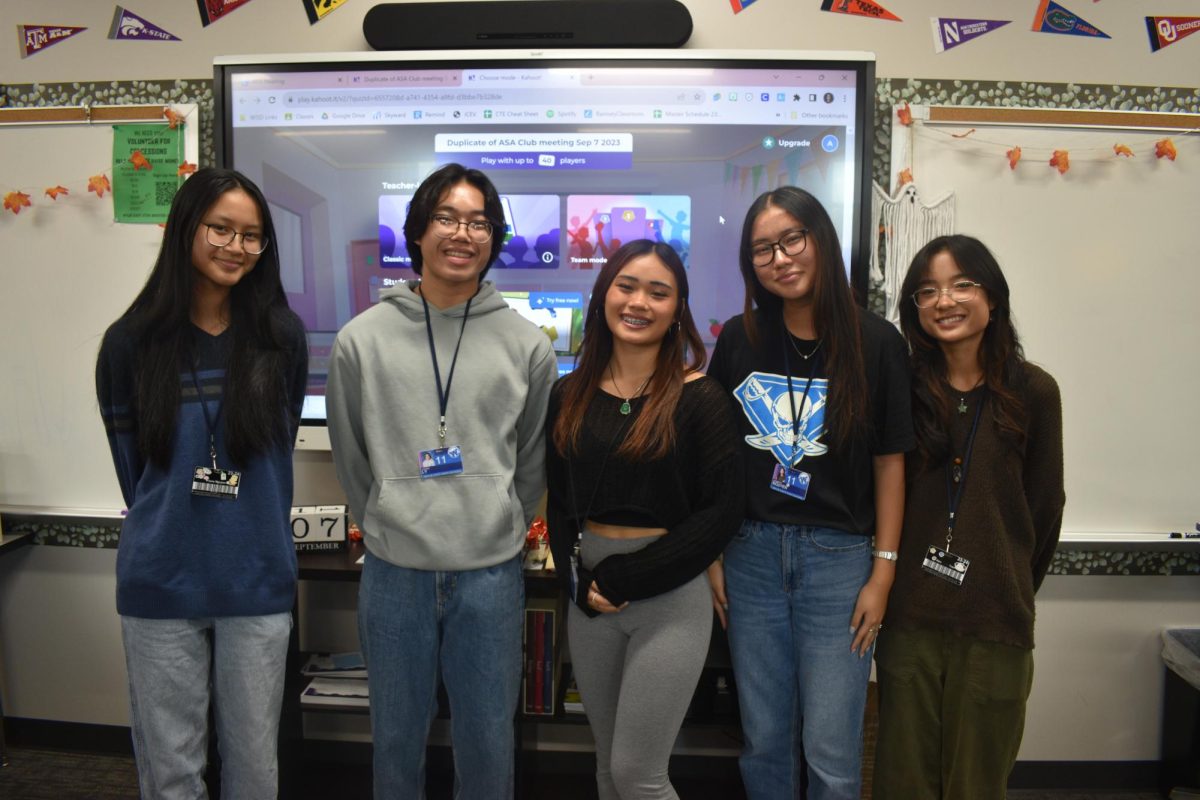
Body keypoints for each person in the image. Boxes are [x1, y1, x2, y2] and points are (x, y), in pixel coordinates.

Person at [326, 163, 556, 799]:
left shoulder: (527, 344)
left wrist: (498, 516)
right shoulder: (360, 340)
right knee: (395, 741)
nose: (463, 233)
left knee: (487, 742)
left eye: (479, 222)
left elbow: (531, 458)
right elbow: (352, 456)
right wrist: (386, 517)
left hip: (490, 573)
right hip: (394, 572)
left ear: (494, 237)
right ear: (418, 232)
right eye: (447, 218)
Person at [95, 167, 307, 799]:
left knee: (253, 769)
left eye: (252, 236)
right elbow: (135, 476)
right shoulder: (129, 344)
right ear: (186, 227)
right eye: (221, 229)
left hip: (257, 577)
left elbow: (279, 449)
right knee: (171, 772)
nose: (235, 247)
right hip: (162, 577)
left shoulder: (280, 339)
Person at [706, 186, 914, 800]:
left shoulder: (877, 343)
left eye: (792, 239)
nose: (780, 258)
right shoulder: (740, 340)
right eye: (762, 249)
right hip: (750, 556)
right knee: (764, 742)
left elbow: (890, 464)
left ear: (820, 239)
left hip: (839, 563)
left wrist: (883, 573)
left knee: (831, 751)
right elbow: (717, 459)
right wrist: (714, 553)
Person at [545, 239, 743, 800]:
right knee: (607, 769)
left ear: (677, 308)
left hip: (668, 598)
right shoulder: (569, 394)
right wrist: (576, 581)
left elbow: (722, 512)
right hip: (591, 599)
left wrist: (624, 578)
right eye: (627, 285)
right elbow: (560, 503)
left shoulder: (701, 398)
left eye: (659, 292)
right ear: (604, 293)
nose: (639, 302)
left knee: (639, 774)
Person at [874, 235, 1065, 800]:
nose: (945, 300)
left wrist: (1008, 585)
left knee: (977, 785)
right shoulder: (903, 388)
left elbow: (1045, 507)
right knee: (902, 783)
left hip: (995, 624)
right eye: (927, 290)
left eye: (962, 284)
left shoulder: (1034, 392)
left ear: (993, 297)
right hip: (910, 619)